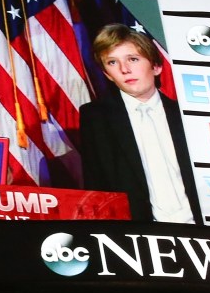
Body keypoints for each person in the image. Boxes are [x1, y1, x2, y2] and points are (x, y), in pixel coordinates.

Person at [79, 23, 202, 224]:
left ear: (156, 66)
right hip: (139, 236)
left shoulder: (186, 116)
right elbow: (97, 189)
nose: (125, 70)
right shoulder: (96, 118)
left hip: (200, 229)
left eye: (133, 59)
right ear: (107, 74)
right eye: (112, 62)